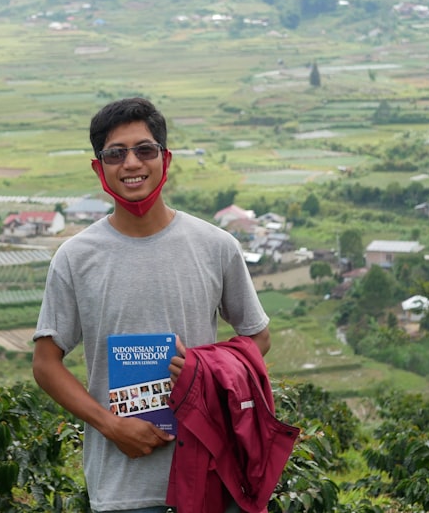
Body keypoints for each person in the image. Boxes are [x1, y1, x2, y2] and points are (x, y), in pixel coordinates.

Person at [32, 97, 270, 513]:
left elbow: (257, 336)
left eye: (144, 150)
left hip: (213, 472)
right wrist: (111, 425)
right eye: (115, 153)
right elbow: (46, 363)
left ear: (165, 159)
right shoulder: (75, 257)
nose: (131, 163)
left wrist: (206, 369)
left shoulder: (215, 246)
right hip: (124, 482)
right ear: (98, 167)